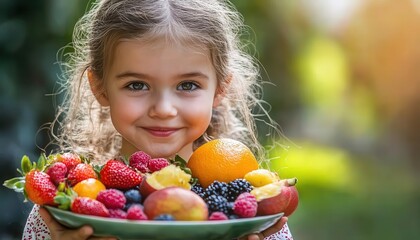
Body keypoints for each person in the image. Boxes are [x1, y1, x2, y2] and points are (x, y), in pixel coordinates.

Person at [22, 0, 294, 239]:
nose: (163, 109)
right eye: (137, 85)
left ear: (220, 90)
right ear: (100, 88)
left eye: (187, 85)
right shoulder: (67, 207)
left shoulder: (255, 214)